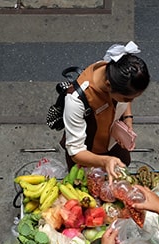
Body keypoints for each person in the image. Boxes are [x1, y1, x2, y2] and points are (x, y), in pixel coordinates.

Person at [61, 41, 150, 179]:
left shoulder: (116, 72)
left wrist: (128, 119)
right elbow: (76, 151)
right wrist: (105, 161)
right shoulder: (76, 100)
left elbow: (126, 98)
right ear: (109, 86)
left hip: (114, 142)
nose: (129, 103)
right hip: (88, 154)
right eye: (126, 99)